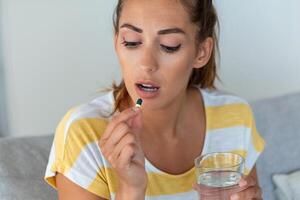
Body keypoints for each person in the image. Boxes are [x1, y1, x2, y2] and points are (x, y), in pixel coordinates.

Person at [44, 0, 265, 199]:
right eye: (131, 42)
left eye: (169, 46)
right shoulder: (83, 134)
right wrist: (130, 190)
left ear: (201, 52)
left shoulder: (235, 117)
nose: (146, 64)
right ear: (117, 42)